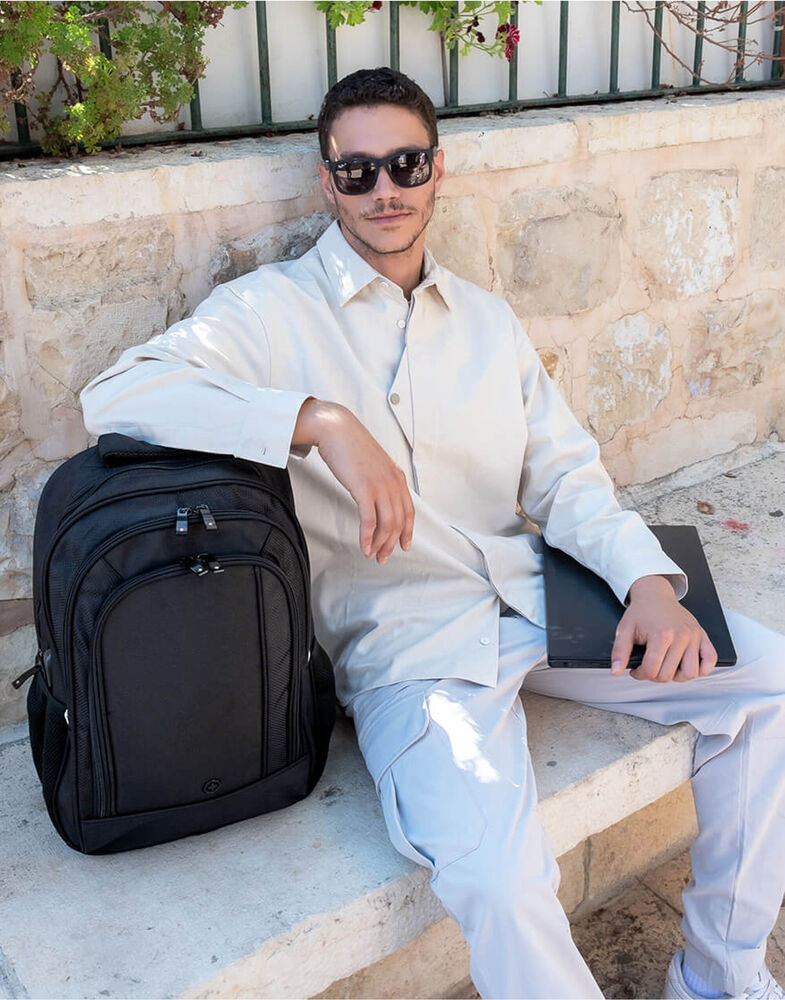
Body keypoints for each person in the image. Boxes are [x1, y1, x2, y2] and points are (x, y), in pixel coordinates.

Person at [79, 67, 785, 1000]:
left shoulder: (487, 322)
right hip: (406, 651)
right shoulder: (269, 313)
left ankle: (721, 977)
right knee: (497, 874)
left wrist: (647, 584)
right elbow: (115, 395)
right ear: (328, 182)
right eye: (358, 170)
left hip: (535, 600)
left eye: (404, 164)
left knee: (769, 682)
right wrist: (320, 422)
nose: (384, 189)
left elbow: (566, 482)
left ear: (437, 169)